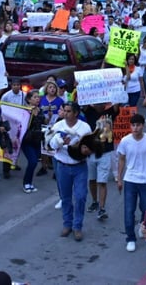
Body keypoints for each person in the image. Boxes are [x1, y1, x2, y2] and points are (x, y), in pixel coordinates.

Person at [45, 102, 92, 241]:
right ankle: (67, 224)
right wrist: (58, 142)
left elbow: (90, 147)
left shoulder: (84, 127)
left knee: (80, 196)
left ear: (76, 113)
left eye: (69, 111)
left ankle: (77, 226)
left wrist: (81, 148)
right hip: (63, 166)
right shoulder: (58, 126)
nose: (65, 113)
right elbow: (49, 144)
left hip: (79, 167)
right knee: (65, 197)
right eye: (64, 111)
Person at [117, 113, 146, 252]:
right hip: (130, 179)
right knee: (129, 210)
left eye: (138, 125)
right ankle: (130, 238)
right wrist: (119, 177)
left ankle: (144, 227)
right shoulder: (125, 141)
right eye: (133, 125)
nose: (135, 128)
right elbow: (122, 159)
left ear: (143, 126)